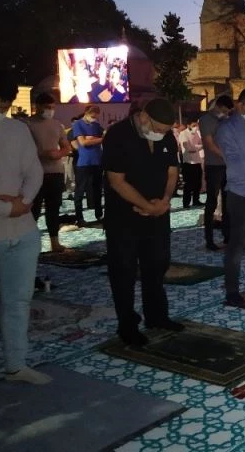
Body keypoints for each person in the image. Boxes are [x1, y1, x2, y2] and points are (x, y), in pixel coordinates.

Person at [0, 68, 53, 412]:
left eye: (4, 106)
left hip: (23, 232)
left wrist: (25, 202)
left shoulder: (17, 129)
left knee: (17, 303)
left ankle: (16, 365)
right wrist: (5, 208)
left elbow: (33, 171)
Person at [101, 98, 184, 346]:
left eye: (165, 131)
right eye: (158, 129)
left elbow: (172, 171)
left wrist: (164, 201)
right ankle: (127, 325)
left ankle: (157, 316)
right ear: (144, 117)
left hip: (158, 214)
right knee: (124, 271)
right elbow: (117, 180)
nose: (161, 134)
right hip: (124, 218)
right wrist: (147, 206)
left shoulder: (166, 136)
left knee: (157, 266)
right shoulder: (118, 134)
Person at [216, 88, 245, 310]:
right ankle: (232, 291)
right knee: (237, 244)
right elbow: (233, 161)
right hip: (239, 193)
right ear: (240, 105)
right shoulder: (226, 128)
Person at [27, 93, 72, 253]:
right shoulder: (27, 124)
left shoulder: (57, 125)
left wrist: (59, 154)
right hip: (35, 173)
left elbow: (67, 147)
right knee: (33, 210)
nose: (50, 110)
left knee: (54, 209)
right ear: (37, 106)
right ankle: (30, 244)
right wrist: (40, 154)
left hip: (56, 173)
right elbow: (20, 149)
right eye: (47, 107)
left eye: (52, 108)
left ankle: (55, 242)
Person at [200, 95, 233, 251]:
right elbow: (209, 145)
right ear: (218, 107)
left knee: (228, 203)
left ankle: (228, 237)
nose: (226, 113)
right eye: (225, 110)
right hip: (214, 165)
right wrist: (228, 157)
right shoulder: (206, 120)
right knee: (211, 202)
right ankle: (209, 240)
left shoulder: (226, 119)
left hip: (227, 166)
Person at [72, 104, 104, 227]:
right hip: (84, 162)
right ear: (86, 113)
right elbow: (83, 142)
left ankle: (99, 215)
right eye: (92, 115)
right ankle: (79, 217)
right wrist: (99, 139)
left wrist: (93, 139)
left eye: (96, 116)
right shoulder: (78, 124)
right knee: (80, 191)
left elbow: (105, 134)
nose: (94, 118)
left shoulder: (96, 125)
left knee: (97, 190)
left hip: (97, 161)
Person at [178, 119, 204, 208]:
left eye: (196, 125)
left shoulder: (196, 133)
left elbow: (201, 143)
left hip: (197, 161)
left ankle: (196, 200)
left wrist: (196, 147)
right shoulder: (183, 134)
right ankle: (186, 202)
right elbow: (189, 148)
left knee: (198, 183)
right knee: (188, 184)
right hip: (188, 162)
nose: (195, 127)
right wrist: (198, 147)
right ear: (188, 125)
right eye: (194, 125)